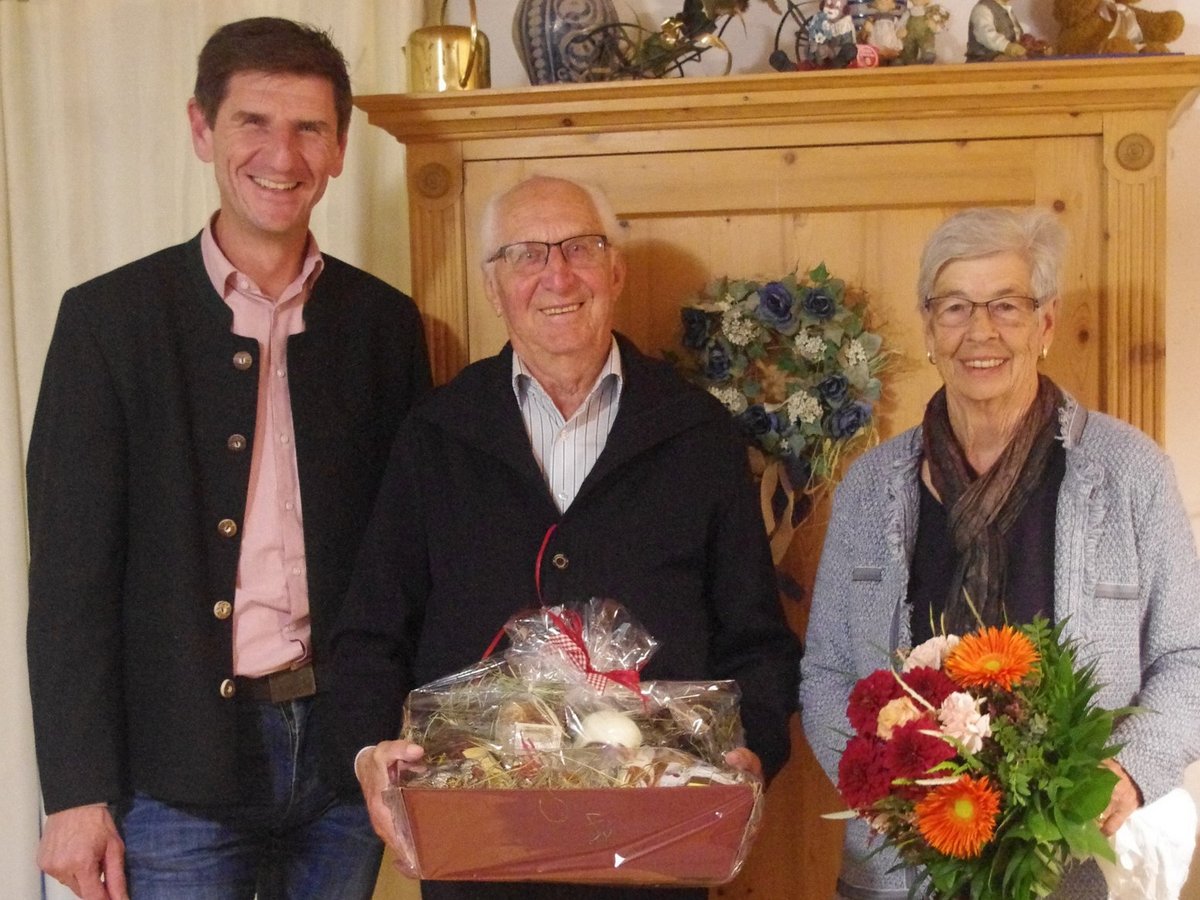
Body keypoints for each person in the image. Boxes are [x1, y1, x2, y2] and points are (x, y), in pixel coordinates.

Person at [25, 17, 431, 900]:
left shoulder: (385, 329)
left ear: (339, 149)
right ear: (202, 129)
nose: (280, 154)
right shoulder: (108, 325)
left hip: (337, 759)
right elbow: (68, 580)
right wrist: (75, 793)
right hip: (173, 770)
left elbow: (408, 560)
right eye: (253, 121)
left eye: (309, 129)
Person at [327, 174, 802, 900]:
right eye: (525, 255)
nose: (557, 275)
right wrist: (368, 749)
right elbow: (369, 632)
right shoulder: (435, 434)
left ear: (614, 271)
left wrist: (753, 749)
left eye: (580, 248)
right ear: (493, 287)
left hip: (655, 847)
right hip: (478, 848)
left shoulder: (696, 432)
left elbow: (758, 639)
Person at [799, 207, 1200, 898]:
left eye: (1006, 305)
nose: (979, 332)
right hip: (898, 862)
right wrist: (888, 791)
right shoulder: (870, 487)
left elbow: (1188, 655)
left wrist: (1128, 771)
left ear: (1044, 325)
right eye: (955, 307)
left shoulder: (1130, 473)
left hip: (1072, 857)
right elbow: (827, 669)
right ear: (928, 328)